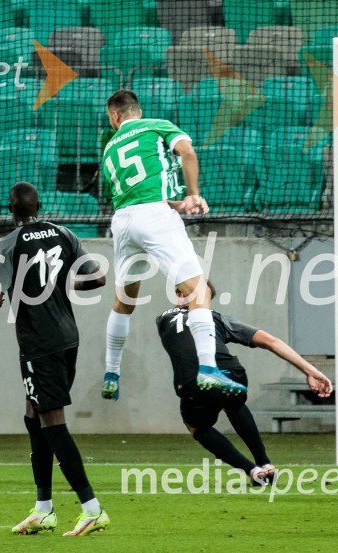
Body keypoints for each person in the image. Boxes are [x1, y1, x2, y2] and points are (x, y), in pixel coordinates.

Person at [0, 182, 110, 537]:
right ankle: (43, 509)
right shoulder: (65, 233)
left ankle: (91, 508)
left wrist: (2, 291)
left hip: (39, 342)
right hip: (68, 336)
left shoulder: (8, 244)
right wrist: (63, 286)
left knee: (52, 422)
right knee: (34, 416)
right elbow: (97, 277)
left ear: (10, 208)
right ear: (39, 204)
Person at [100, 89, 241, 401]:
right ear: (135, 110)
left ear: (116, 115)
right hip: (155, 218)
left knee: (124, 301)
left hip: (123, 222)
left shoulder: (110, 147)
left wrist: (177, 205)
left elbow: (141, 193)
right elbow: (188, 153)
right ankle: (208, 368)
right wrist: (193, 194)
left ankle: (111, 372)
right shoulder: (156, 125)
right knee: (199, 290)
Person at [156, 283, 334, 484]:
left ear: (181, 292)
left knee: (198, 428)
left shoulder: (164, 318)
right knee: (233, 402)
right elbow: (271, 341)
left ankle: (253, 471)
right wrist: (310, 370)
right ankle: (265, 463)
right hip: (232, 373)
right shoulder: (217, 318)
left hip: (194, 381)